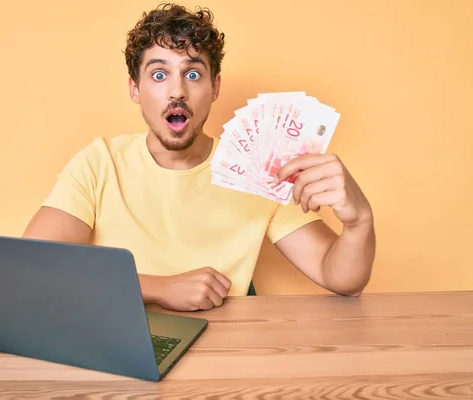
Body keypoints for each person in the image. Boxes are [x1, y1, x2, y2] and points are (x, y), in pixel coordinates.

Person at [22, 3, 376, 311]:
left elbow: (342, 277)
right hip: (118, 341)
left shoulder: (260, 170)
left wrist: (359, 222)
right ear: (135, 88)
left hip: (224, 354)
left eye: (193, 74)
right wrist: (160, 288)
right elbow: (33, 267)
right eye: (159, 75)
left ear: (215, 86)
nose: (177, 91)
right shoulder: (99, 164)